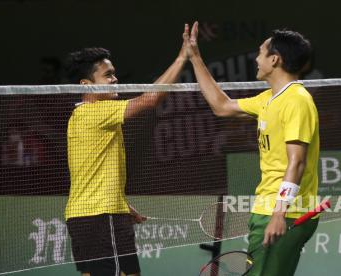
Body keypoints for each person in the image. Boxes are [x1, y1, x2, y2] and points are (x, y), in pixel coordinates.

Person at [183, 22, 320, 276]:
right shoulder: (268, 99)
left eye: (260, 53)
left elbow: (297, 162)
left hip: (286, 212)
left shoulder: (297, 101)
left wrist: (279, 213)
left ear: (275, 59)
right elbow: (221, 106)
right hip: (267, 208)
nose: (256, 59)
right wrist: (195, 57)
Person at [64, 28, 188, 276]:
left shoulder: (82, 115)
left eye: (114, 74)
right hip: (100, 215)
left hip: (91, 213)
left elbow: (92, 171)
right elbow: (150, 99)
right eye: (107, 75)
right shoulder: (94, 113)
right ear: (86, 84)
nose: (114, 79)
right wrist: (183, 56)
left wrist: (123, 206)